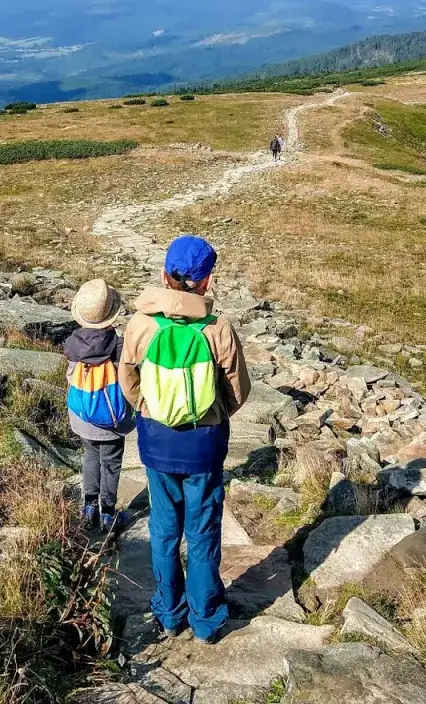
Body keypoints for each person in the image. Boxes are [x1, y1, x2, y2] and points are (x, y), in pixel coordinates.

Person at [119, 235, 251, 645]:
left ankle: (169, 612)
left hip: (157, 442)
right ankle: (207, 618)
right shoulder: (218, 329)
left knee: (163, 528)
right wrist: (212, 415)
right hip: (204, 445)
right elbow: (238, 390)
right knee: (203, 530)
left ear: (164, 275)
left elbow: (129, 382)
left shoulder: (140, 324)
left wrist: (153, 410)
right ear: (207, 281)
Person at [65, 278, 134, 533]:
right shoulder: (119, 345)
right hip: (112, 416)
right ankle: (107, 512)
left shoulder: (72, 343)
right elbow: (129, 379)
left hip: (83, 414)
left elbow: (71, 375)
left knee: (90, 455)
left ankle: (89, 506)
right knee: (111, 462)